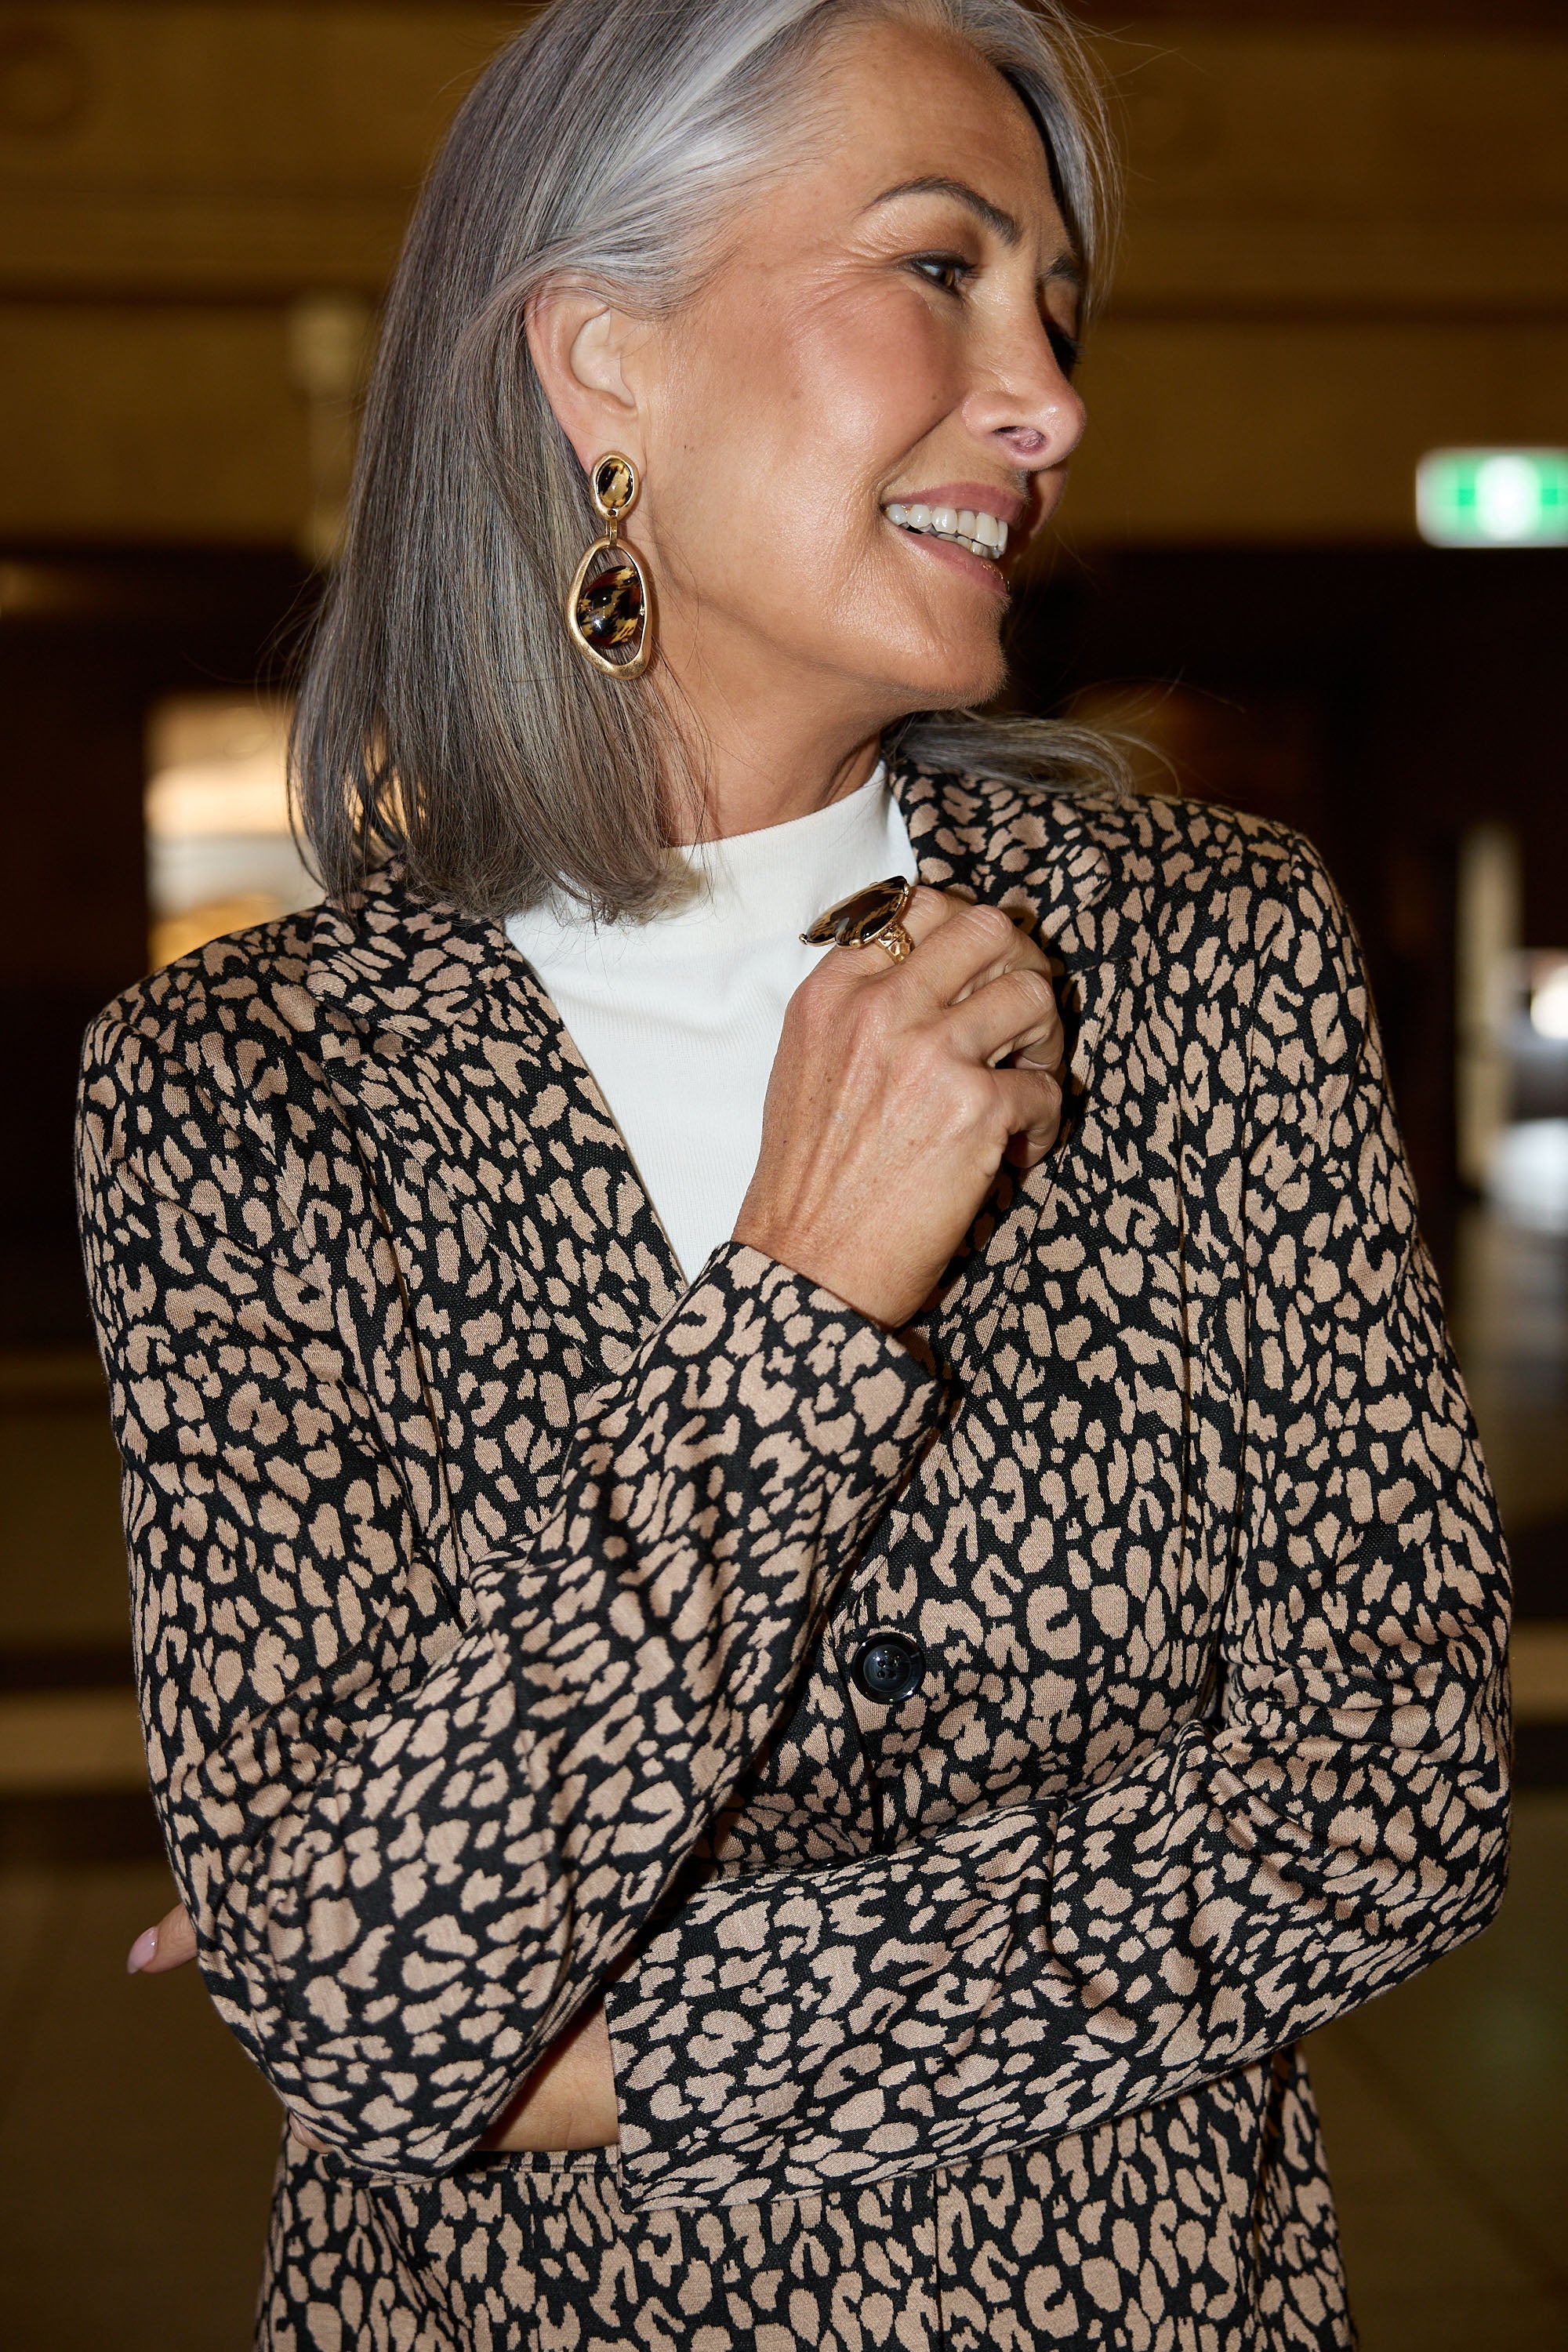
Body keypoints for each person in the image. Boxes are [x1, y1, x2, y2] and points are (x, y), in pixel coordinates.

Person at [78, 2, 1511, 2344]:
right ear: (600, 353)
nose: (1048, 400)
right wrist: (810, 1288)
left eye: (1057, 305)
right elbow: (352, 2011)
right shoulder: (246, 1086)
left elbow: (1401, 1786)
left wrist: (593, 2049)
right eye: (941, 268)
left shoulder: (1199, 950)